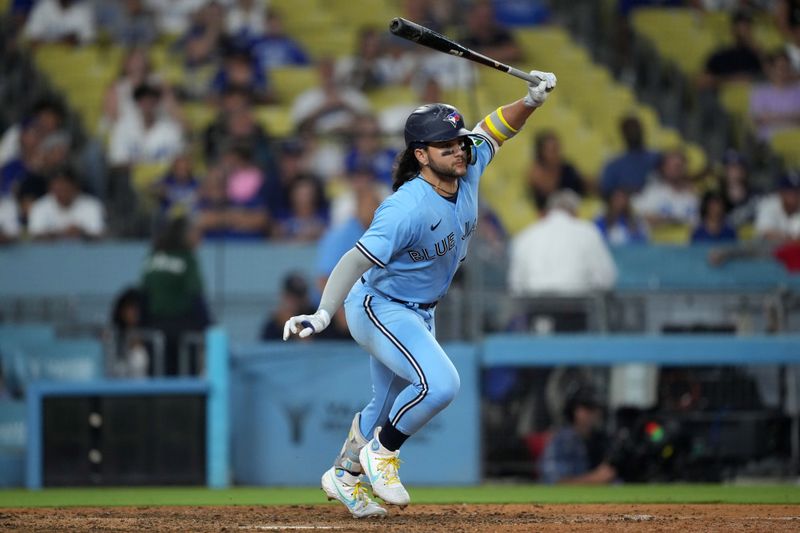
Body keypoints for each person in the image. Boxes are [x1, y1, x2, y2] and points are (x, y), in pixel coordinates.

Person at [282, 70, 557, 518]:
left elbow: (493, 129)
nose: (459, 151)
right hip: (379, 307)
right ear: (421, 154)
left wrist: (530, 101)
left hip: (419, 310)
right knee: (441, 384)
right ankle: (382, 455)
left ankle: (344, 475)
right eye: (446, 147)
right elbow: (353, 261)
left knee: (386, 402)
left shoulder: (467, 167)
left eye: (459, 143)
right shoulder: (405, 207)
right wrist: (323, 313)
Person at [509, 190, 617, 296]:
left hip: (536, 307)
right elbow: (606, 278)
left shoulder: (525, 236)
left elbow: (516, 284)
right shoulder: (588, 232)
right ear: (576, 212)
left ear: (548, 211)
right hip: (577, 307)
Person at [140, 215, 211, 375]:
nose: (200, 238)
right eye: (196, 233)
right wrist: (209, 326)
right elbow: (196, 297)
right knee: (186, 379)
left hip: (155, 329)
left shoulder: (153, 257)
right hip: (183, 329)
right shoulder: (186, 259)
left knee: (158, 377)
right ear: (185, 234)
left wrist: (143, 328)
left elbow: (143, 296)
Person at [538, 387, 617, 484]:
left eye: (595, 408)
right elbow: (555, 481)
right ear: (573, 410)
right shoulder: (563, 440)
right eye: (587, 408)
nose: (592, 413)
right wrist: (594, 478)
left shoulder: (603, 440)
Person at [28, 167, 105, 240]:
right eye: (57, 189)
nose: (61, 193)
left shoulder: (92, 206)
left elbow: (99, 235)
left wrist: (81, 233)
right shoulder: (40, 206)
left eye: (64, 188)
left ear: (75, 186)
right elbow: (35, 236)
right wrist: (61, 233)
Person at [598, 115, 660, 197]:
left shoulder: (656, 159)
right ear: (623, 134)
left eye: (636, 129)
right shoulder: (613, 166)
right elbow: (606, 191)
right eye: (629, 130)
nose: (633, 133)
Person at [526, 129, 585, 211]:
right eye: (551, 150)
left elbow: (582, 187)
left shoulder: (568, 169)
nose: (556, 153)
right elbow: (547, 191)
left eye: (557, 148)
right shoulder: (536, 172)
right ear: (541, 152)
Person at [748, 49, 800, 143]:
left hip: (795, 138)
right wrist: (790, 117)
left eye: (786, 68)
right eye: (780, 68)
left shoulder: (798, 89)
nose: (783, 72)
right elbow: (758, 118)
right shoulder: (760, 91)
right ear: (771, 69)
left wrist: (772, 117)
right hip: (768, 141)